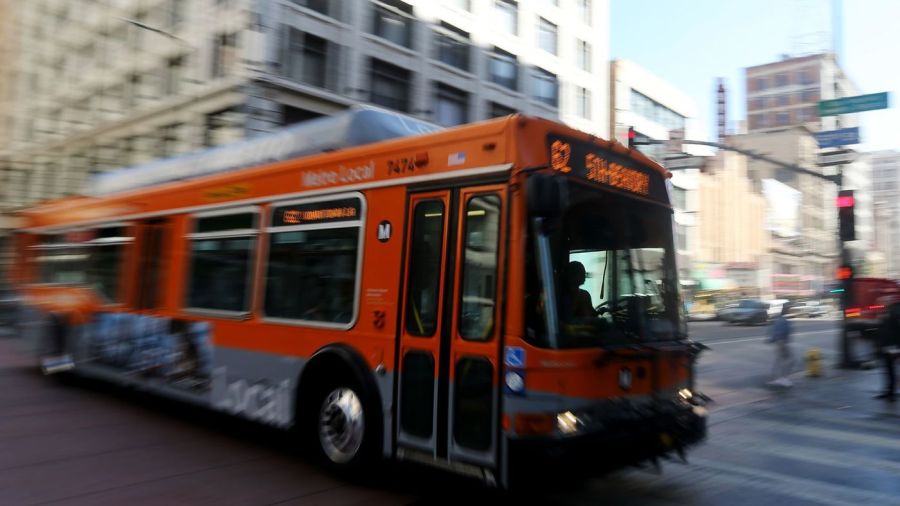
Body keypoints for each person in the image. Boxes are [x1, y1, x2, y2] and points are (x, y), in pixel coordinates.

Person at [875, 302, 900, 401]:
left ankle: (891, 393)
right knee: (888, 370)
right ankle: (889, 391)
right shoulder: (886, 315)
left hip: (892, 347)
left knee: (891, 370)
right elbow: (881, 332)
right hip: (886, 346)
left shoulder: (894, 315)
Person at [767, 303, 794, 388]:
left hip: (779, 342)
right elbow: (779, 333)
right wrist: (781, 344)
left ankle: (774, 379)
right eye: (789, 308)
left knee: (779, 361)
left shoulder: (779, 319)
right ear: (786, 309)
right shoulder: (783, 320)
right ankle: (783, 379)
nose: (790, 309)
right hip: (781, 342)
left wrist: (772, 340)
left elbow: (773, 332)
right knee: (790, 360)